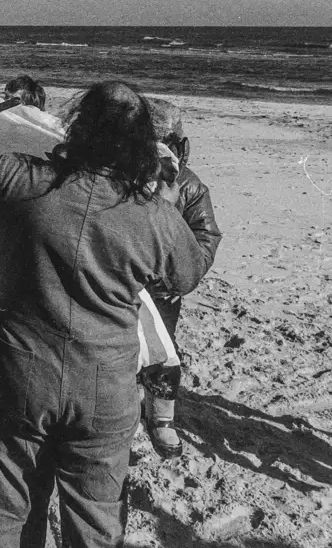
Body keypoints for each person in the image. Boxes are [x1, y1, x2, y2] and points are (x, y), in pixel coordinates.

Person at [0, 80, 207, 548]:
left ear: (76, 127)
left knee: (14, 504)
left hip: (19, 370)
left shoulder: (18, 177)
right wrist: (168, 202)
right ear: (139, 142)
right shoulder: (152, 211)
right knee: (96, 516)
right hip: (106, 378)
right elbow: (186, 275)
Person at [141, 98, 222, 459]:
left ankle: (161, 417)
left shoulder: (189, 186)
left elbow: (205, 237)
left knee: (163, 351)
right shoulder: (118, 175)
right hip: (120, 284)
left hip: (163, 290)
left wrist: (180, 278)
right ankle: (125, 414)